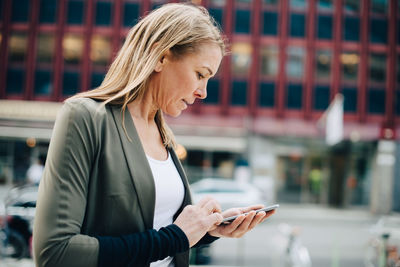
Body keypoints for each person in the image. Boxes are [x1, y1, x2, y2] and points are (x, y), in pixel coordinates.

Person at [33, 3, 275, 267]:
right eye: (199, 74)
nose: (203, 92)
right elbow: (55, 253)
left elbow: (154, 228)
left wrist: (207, 230)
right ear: (160, 56)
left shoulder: (163, 133)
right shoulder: (85, 117)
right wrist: (177, 237)